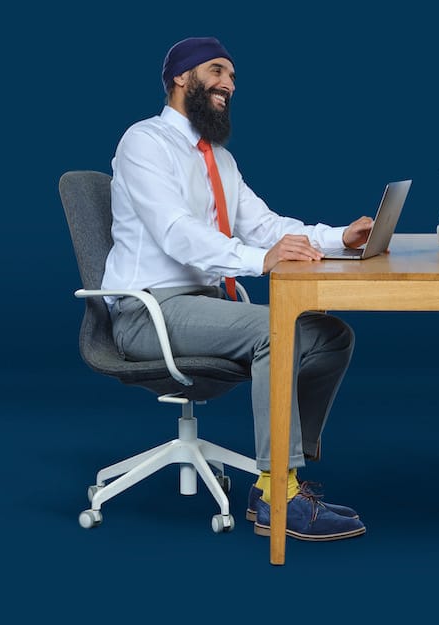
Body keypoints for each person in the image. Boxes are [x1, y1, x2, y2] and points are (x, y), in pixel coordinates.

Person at [102, 37, 374, 542]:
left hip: (202, 308)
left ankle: (282, 481)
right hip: (150, 312)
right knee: (281, 331)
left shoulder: (218, 159)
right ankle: (279, 494)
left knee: (329, 334)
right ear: (182, 77)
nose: (229, 83)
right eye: (217, 71)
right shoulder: (144, 142)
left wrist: (339, 237)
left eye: (232, 75)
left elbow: (264, 225)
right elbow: (176, 232)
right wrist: (258, 262)